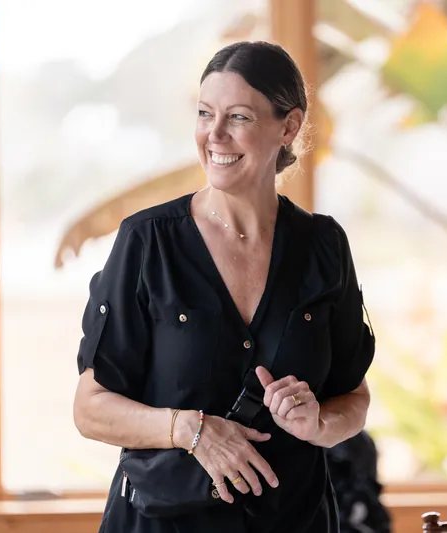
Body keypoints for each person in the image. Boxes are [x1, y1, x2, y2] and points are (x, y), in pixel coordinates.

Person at [72, 40, 376, 533]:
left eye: (238, 117)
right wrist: (190, 429)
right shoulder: (147, 242)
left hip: (295, 521)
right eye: (204, 113)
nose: (213, 135)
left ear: (288, 127)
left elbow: (353, 396)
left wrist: (320, 423)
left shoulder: (324, 246)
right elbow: (90, 408)